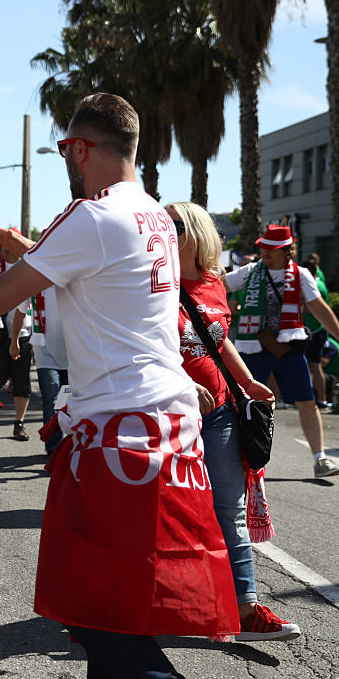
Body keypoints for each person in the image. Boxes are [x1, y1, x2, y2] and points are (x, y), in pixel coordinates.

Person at [0, 93, 238, 676]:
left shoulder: (89, 216)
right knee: (114, 604)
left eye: (66, 148)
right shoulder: (154, 215)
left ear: (83, 148)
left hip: (117, 432)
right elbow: (80, 265)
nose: (66, 158)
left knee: (93, 605)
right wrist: (16, 242)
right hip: (164, 425)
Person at [169, 201, 301, 642]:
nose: (162, 230)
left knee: (228, 510)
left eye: (173, 224)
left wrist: (246, 382)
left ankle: (245, 610)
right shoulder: (151, 284)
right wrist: (183, 389)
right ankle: (166, 603)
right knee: (169, 514)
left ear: (196, 233)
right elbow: (140, 349)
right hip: (167, 417)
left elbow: (219, 342)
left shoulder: (211, 284)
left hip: (222, 412)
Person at [223, 224, 339, 479]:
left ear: (287, 251)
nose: (265, 251)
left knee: (307, 403)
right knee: (242, 404)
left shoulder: (301, 275)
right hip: (253, 348)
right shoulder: (250, 272)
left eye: (272, 248)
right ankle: (233, 461)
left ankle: (320, 459)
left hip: (288, 347)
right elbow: (220, 285)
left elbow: (320, 309)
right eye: (263, 246)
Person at [0, 232, 32, 440]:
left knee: (22, 380)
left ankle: (19, 423)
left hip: (24, 331)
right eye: (6, 245)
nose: (9, 249)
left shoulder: (32, 268)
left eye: (13, 245)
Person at [30, 285, 68, 455]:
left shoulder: (72, 282)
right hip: (45, 354)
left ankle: (67, 444)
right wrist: (15, 341)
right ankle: (53, 449)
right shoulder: (37, 282)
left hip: (72, 356)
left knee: (65, 403)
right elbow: (21, 311)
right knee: (51, 401)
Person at [299, 255, 331, 408]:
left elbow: (312, 309)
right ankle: (314, 397)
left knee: (314, 365)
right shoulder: (317, 281)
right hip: (312, 329)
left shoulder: (315, 284)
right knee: (311, 365)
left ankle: (321, 399)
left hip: (315, 330)